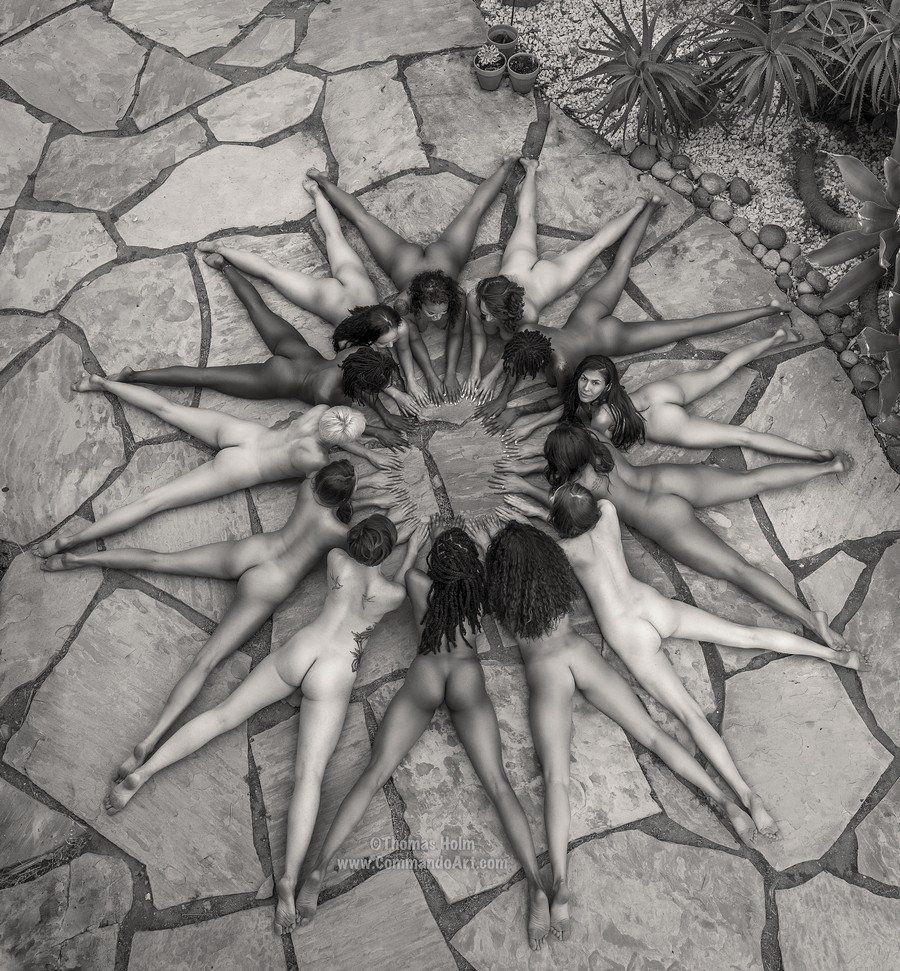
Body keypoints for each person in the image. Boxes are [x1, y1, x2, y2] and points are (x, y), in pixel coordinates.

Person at [483, 521, 782, 940]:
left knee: (556, 779)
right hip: (580, 655)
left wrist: (486, 546)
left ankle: (560, 882)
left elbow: (494, 572)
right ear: (546, 560)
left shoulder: (501, 593)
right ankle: (726, 801)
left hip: (546, 671)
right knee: (654, 735)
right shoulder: (556, 573)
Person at [41, 461, 406, 783]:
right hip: (270, 583)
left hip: (253, 550)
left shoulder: (307, 486)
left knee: (160, 559)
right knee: (207, 661)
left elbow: (330, 483)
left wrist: (358, 479)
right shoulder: (338, 535)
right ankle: (150, 740)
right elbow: (364, 541)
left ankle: (78, 559)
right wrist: (376, 500)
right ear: (346, 501)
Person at [102, 515, 410, 888]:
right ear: (386, 552)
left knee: (222, 716)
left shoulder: (336, 561)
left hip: (300, 652)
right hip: (333, 674)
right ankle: (289, 880)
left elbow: (357, 552)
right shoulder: (392, 596)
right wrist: (411, 551)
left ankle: (143, 772)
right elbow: (401, 579)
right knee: (308, 776)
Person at [293, 522, 551, 947]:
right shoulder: (480, 589)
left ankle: (320, 869)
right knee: (499, 785)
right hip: (466, 677)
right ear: (471, 570)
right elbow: (488, 568)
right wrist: (482, 544)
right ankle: (537, 886)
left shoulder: (416, 583)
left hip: (427, 674)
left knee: (374, 773)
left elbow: (413, 567)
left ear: (436, 567)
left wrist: (419, 543)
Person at [491, 421, 849, 650]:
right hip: (666, 478)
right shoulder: (596, 440)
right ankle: (829, 466)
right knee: (752, 480)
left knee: (737, 570)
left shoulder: (574, 487)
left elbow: (560, 507)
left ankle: (809, 618)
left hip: (660, 518)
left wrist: (523, 485)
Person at [476, 233, 793, 431]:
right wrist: (503, 397)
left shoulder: (561, 368)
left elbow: (566, 405)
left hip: (612, 339)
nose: (519, 373)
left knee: (688, 326)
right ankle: (769, 309)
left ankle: (767, 311)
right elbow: (515, 360)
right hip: (586, 316)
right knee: (622, 264)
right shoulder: (529, 332)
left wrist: (518, 411)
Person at [33, 378, 380, 557]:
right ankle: (67, 542)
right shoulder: (317, 462)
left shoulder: (319, 412)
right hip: (244, 467)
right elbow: (326, 488)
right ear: (340, 441)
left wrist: (361, 447)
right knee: (154, 502)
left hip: (245, 434)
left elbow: (331, 432)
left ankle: (101, 383)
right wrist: (368, 458)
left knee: (167, 409)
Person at [113, 255, 413, 445]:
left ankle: (223, 265)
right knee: (205, 377)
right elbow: (341, 424)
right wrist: (380, 427)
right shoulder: (333, 396)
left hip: (299, 353)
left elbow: (365, 387)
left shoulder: (354, 355)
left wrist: (386, 414)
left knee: (258, 308)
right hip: (278, 380)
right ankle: (135, 377)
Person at [306, 158, 516, 399]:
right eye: (431, 313)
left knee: (475, 210)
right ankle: (323, 181)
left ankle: (507, 166)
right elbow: (413, 339)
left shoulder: (457, 296)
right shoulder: (403, 305)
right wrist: (430, 376)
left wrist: (449, 373)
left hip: (445, 256)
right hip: (403, 260)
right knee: (363, 220)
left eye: (441, 312)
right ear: (418, 302)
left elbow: (456, 334)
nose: (438, 317)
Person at [464, 158, 649, 398]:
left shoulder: (529, 315)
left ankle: (637, 209)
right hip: (517, 265)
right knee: (525, 218)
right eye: (484, 311)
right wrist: (474, 369)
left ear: (509, 311)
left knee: (594, 246)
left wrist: (492, 376)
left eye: (490, 314)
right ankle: (531, 169)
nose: (485, 317)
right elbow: (477, 332)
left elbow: (516, 347)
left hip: (548, 279)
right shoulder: (475, 296)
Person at [505, 330, 835, 461]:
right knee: (721, 371)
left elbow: (582, 448)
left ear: (607, 386)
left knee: (741, 436)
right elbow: (572, 407)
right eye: (584, 380)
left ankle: (816, 455)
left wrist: (535, 451)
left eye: (594, 384)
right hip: (654, 394)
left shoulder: (601, 417)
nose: (585, 388)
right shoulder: (596, 398)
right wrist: (531, 425)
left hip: (660, 422)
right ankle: (776, 337)